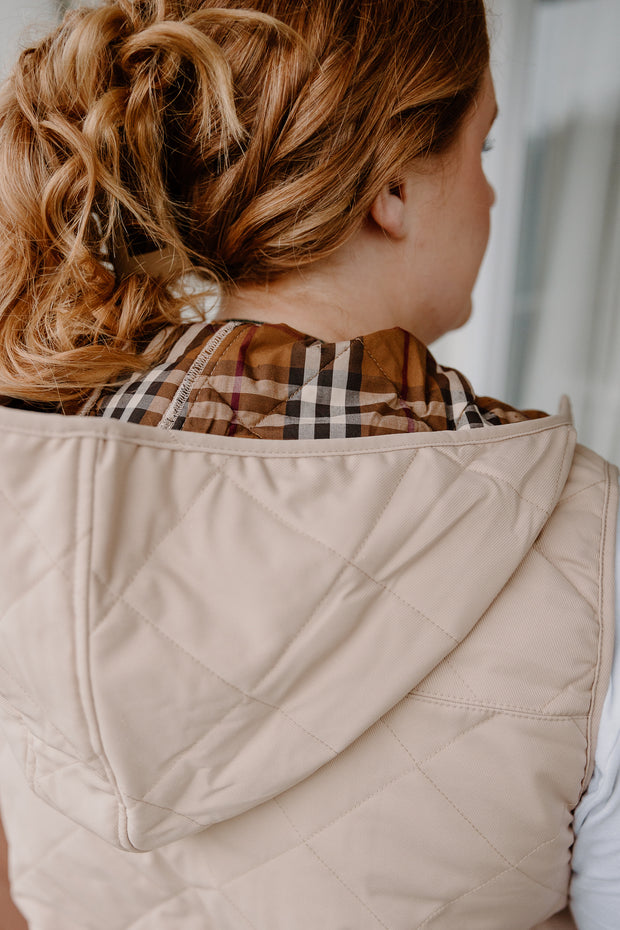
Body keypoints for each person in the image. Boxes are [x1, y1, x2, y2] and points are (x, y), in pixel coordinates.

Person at [0, 0, 617, 927]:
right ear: (394, 189)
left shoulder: (29, 477)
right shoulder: (594, 539)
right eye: (481, 152)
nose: (492, 197)